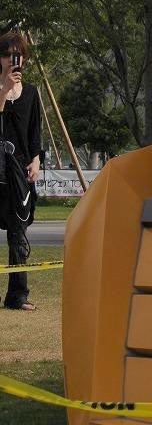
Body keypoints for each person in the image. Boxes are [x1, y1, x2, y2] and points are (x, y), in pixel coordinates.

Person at [0, 30, 42, 311]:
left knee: (18, 233)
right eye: (7, 55)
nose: (12, 60)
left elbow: (35, 132)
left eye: (17, 55)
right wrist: (4, 91)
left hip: (19, 172)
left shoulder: (31, 93)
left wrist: (36, 160)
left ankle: (17, 297)